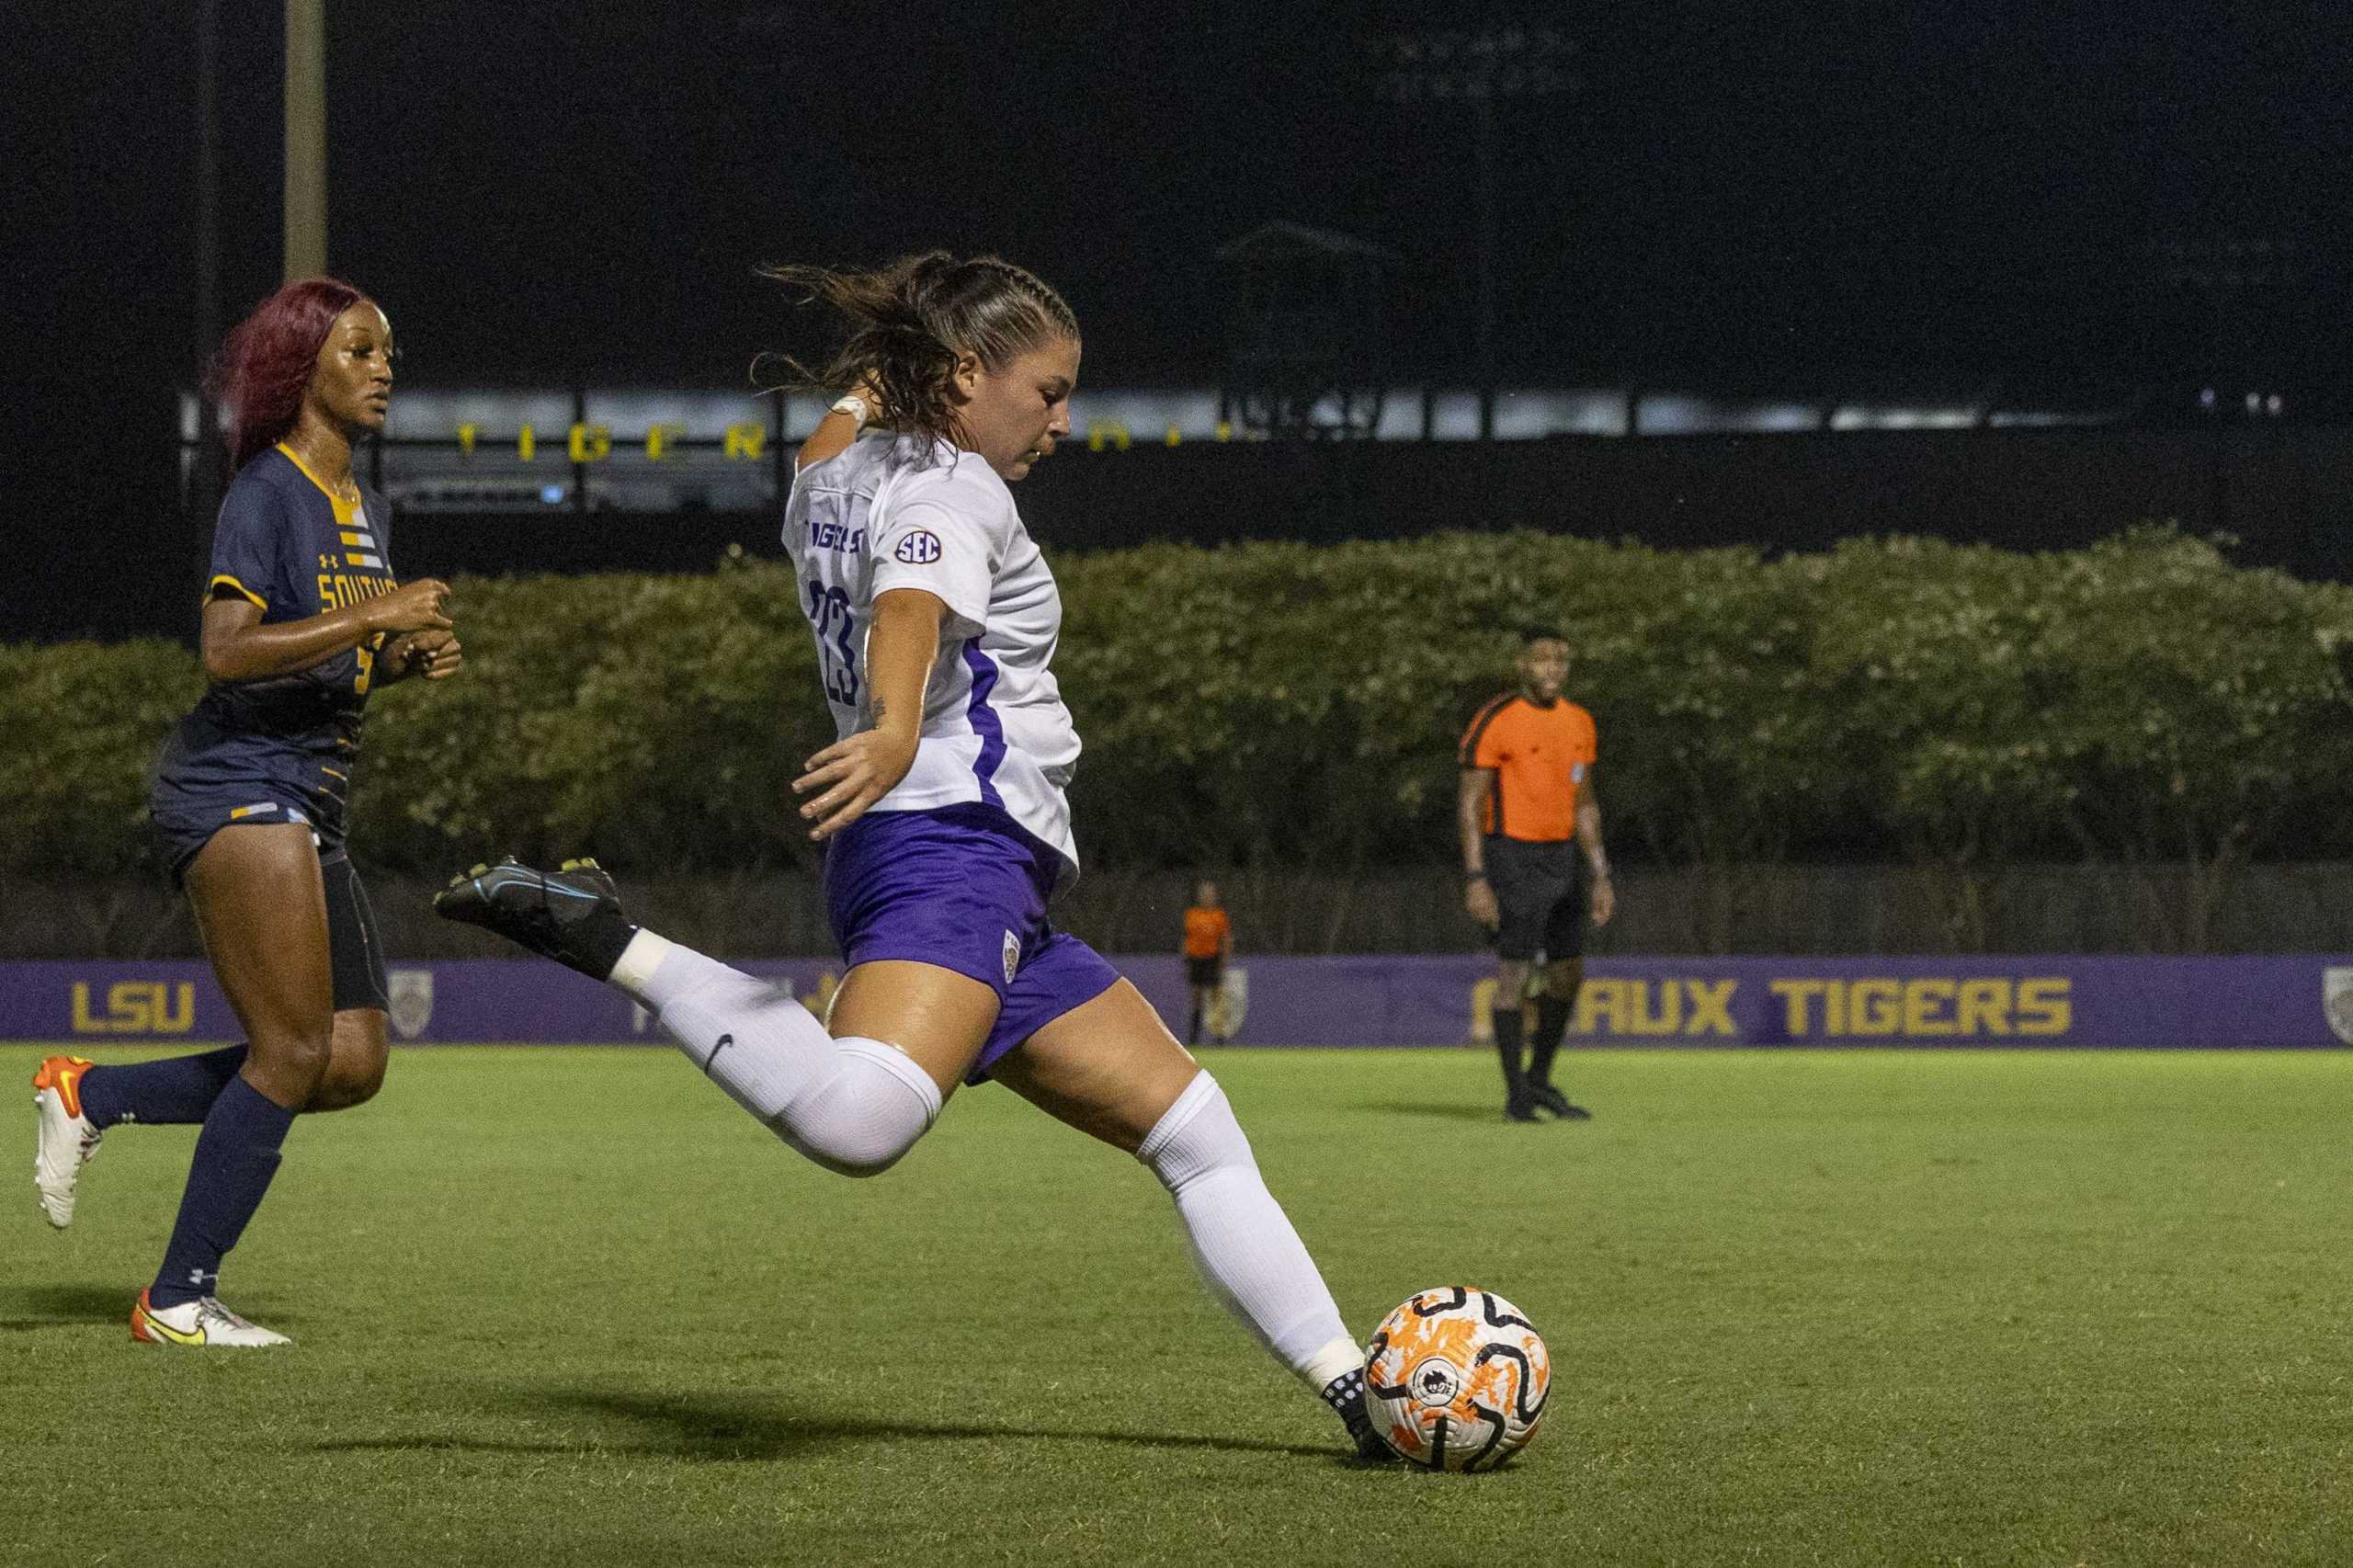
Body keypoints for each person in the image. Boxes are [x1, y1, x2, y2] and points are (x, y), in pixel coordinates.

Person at [436, 251, 1391, 1459]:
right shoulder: (958, 490)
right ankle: (605, 934)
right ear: (967, 374)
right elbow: (911, 601)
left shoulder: (833, 468)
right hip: (955, 840)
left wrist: (868, 389)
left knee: (1196, 1132)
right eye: (1046, 391)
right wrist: (893, 725)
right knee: (861, 1121)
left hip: (971, 869)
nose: (1061, 418)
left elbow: (829, 454)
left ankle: (1359, 1392)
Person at [31, 278, 460, 1346]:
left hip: (311, 793)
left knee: (349, 1060)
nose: (383, 369)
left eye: (387, 351)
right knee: (288, 1048)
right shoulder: (265, 493)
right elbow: (227, 652)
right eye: (360, 350)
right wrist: (376, 614)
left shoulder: (367, 501)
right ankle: (178, 1297)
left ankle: (91, 1093)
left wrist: (400, 657)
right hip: (235, 784)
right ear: (303, 366)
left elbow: (329, 657)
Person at [1458, 628, 1615, 1122]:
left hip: (1563, 858)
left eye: (1561, 660)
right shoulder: (1496, 719)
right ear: (1522, 665)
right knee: (1515, 974)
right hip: (1513, 857)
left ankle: (1540, 1079)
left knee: (1569, 973)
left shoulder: (1579, 722)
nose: (1552, 669)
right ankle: (1516, 1096)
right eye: (1542, 660)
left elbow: (1585, 802)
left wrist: (1601, 872)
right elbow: (1469, 804)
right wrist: (1476, 876)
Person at [1181, 879, 1234, 1045]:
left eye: (1210, 895)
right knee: (1197, 997)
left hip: (1212, 959)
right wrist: (1186, 959)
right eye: (1204, 894)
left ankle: (1219, 1037)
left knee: (1216, 997)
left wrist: (1224, 959)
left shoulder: (1219, 916)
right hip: (1196, 959)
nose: (1207, 898)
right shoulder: (1191, 915)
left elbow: (1225, 939)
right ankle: (1194, 1037)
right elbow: (1186, 938)